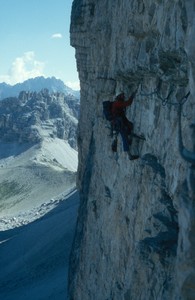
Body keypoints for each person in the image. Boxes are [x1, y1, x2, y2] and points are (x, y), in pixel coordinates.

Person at [111, 91, 139, 160]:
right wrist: (132, 96)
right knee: (124, 137)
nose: (124, 96)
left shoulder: (117, 102)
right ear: (119, 96)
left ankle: (129, 139)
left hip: (120, 122)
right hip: (119, 124)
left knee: (130, 126)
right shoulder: (117, 103)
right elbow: (128, 103)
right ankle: (129, 155)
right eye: (122, 95)